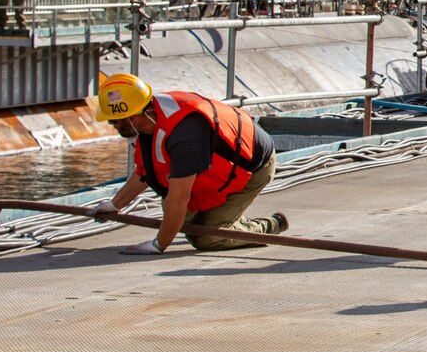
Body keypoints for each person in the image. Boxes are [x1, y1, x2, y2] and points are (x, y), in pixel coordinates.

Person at [90, 73, 287, 254]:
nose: (113, 127)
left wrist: (158, 245)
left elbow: (179, 198)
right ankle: (225, 219)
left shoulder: (185, 134)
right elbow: (146, 171)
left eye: (113, 122)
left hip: (252, 167)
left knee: (206, 238)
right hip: (214, 168)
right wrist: (115, 205)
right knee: (179, 220)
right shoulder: (151, 116)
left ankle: (270, 225)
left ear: (132, 117)